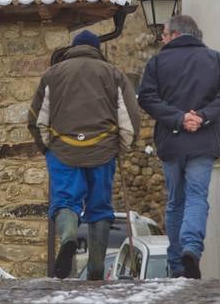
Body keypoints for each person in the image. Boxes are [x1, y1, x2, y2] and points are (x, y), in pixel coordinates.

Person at [28, 30, 139, 280]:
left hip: (63, 150)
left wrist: (48, 147)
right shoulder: (113, 74)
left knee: (65, 201)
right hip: (102, 150)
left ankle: (68, 238)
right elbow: (129, 117)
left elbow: (36, 118)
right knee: (99, 207)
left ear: (73, 48)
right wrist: (121, 146)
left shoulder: (53, 74)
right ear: (97, 49)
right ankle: (97, 267)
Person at [137, 14, 220, 279]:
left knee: (176, 201)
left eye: (164, 33)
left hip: (171, 141)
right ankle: (191, 248)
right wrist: (203, 116)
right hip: (203, 142)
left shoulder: (157, 63)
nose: (161, 38)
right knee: (196, 197)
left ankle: (177, 264)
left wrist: (178, 118)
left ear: (173, 35)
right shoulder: (218, 61)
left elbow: (147, 97)